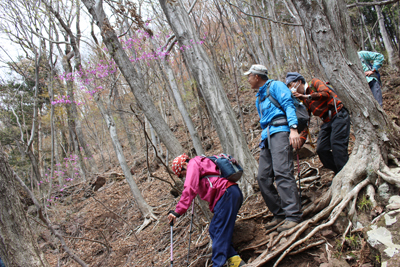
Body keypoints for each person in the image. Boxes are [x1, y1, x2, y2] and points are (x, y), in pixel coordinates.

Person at [244, 64, 302, 232]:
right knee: (262, 177)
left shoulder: (276, 86)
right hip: (267, 137)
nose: (248, 79)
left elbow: (288, 105)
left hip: (281, 132)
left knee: (282, 172)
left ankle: (293, 215)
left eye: (249, 76)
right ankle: (280, 214)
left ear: (256, 77)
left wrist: (293, 129)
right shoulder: (259, 98)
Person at [167, 154, 245, 267]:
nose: (184, 177)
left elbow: (189, 188)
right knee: (214, 229)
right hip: (230, 192)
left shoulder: (193, 163)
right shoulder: (204, 162)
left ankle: (218, 264)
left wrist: (177, 211)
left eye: (182, 174)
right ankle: (235, 260)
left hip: (225, 194)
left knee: (218, 230)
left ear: (184, 164)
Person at [285, 72, 351, 174]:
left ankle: (347, 174)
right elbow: (305, 121)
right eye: (288, 87)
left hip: (338, 114)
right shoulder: (303, 101)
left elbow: (326, 93)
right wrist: (300, 141)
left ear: (298, 81)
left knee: (337, 145)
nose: (290, 88)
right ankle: (339, 172)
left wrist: (306, 96)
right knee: (321, 149)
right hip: (327, 121)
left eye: (291, 85)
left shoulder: (314, 83)